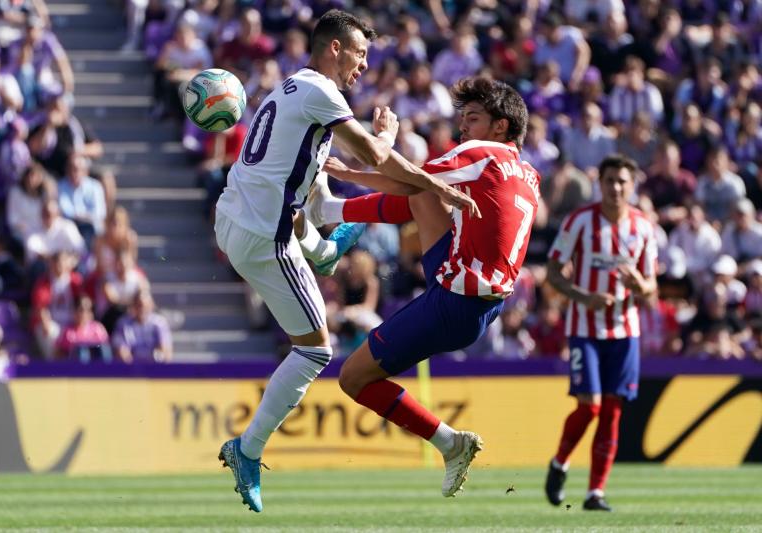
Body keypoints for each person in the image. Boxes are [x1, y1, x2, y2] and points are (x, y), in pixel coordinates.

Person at [213, 9, 477, 513]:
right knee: (314, 352)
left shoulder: (291, 93)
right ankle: (246, 450)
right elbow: (376, 160)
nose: (362, 65)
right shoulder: (321, 94)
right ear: (334, 47)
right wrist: (433, 182)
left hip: (234, 219)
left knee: (312, 217)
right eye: (359, 53)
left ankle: (326, 251)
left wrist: (377, 155)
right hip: (262, 239)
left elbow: (316, 192)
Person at [313, 76, 539, 498]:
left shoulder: (481, 153)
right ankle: (332, 212)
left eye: (472, 118)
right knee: (425, 192)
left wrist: (368, 155)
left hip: (455, 301)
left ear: (501, 127)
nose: (463, 129)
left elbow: (405, 180)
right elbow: (415, 192)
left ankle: (450, 443)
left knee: (353, 378)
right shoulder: (528, 173)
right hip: (479, 301)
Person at [544, 154, 658, 512]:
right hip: (584, 328)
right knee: (590, 407)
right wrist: (583, 297)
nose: (616, 188)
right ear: (601, 184)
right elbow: (553, 272)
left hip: (625, 332)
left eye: (623, 181)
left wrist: (641, 284)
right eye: (610, 181)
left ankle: (596, 492)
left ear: (632, 185)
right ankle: (560, 462)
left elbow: (652, 289)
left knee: (611, 411)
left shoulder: (642, 227)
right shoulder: (580, 222)